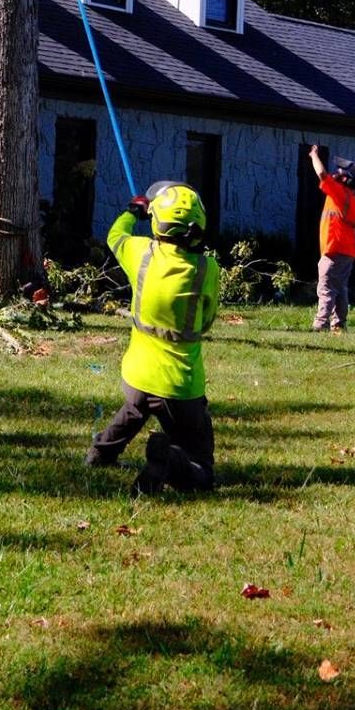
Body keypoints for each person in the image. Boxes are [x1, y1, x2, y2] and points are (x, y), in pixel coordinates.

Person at [85, 180, 220, 494]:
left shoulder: (139, 253)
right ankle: (172, 462)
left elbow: (116, 235)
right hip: (179, 388)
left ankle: (100, 453)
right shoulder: (206, 269)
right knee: (202, 470)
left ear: (157, 220)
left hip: (135, 375)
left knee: (135, 407)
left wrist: (133, 213)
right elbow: (208, 319)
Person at [309, 145, 355, 333]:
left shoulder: (340, 194)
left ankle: (320, 324)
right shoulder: (351, 199)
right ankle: (339, 323)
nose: (336, 172)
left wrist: (313, 156)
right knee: (340, 288)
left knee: (326, 288)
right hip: (347, 251)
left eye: (340, 171)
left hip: (335, 251)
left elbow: (322, 175)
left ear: (345, 179)